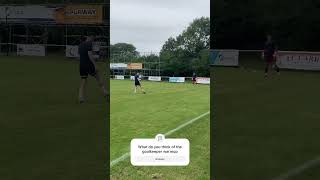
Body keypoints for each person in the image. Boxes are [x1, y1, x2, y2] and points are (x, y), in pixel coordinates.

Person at [78, 36, 108, 103]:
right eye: (90, 38)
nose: (91, 39)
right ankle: (105, 91)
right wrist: (95, 64)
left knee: (83, 81)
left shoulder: (80, 45)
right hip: (88, 64)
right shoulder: (89, 44)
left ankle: (80, 97)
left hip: (82, 65)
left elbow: (79, 56)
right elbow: (89, 55)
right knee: (98, 77)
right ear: (87, 39)